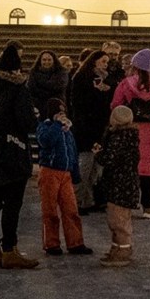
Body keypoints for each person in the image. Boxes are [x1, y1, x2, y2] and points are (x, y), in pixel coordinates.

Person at [0, 42, 38, 268]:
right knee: (12, 203)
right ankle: (10, 249)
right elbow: (27, 122)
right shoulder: (17, 90)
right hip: (13, 151)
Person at [112, 48, 150, 218]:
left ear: (134, 66)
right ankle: (148, 206)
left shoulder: (126, 83)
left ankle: (127, 202)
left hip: (129, 130)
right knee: (147, 166)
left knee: (129, 167)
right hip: (149, 131)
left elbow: (116, 105)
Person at [36, 97, 90, 257]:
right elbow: (45, 142)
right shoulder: (45, 127)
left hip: (65, 173)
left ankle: (75, 242)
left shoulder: (67, 132)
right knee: (50, 209)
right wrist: (57, 125)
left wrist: (75, 172)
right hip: (50, 171)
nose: (62, 115)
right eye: (59, 112)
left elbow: (72, 151)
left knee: (71, 209)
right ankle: (51, 243)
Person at [95, 104, 140, 266]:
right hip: (123, 184)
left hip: (119, 185)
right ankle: (117, 246)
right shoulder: (129, 136)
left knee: (118, 219)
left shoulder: (120, 137)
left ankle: (123, 248)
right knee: (116, 217)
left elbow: (109, 159)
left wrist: (99, 154)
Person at [68, 50, 113, 213]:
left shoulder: (106, 78)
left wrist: (106, 88)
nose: (105, 64)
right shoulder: (81, 78)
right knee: (85, 165)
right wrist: (98, 91)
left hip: (100, 127)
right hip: (86, 128)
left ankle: (87, 200)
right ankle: (76, 201)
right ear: (94, 61)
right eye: (103, 61)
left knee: (95, 167)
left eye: (107, 62)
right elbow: (80, 104)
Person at [28, 49, 68, 116]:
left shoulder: (61, 72)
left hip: (56, 108)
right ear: (40, 61)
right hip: (39, 108)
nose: (46, 62)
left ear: (54, 60)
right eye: (44, 60)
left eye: (49, 60)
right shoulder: (33, 72)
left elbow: (59, 86)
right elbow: (31, 89)